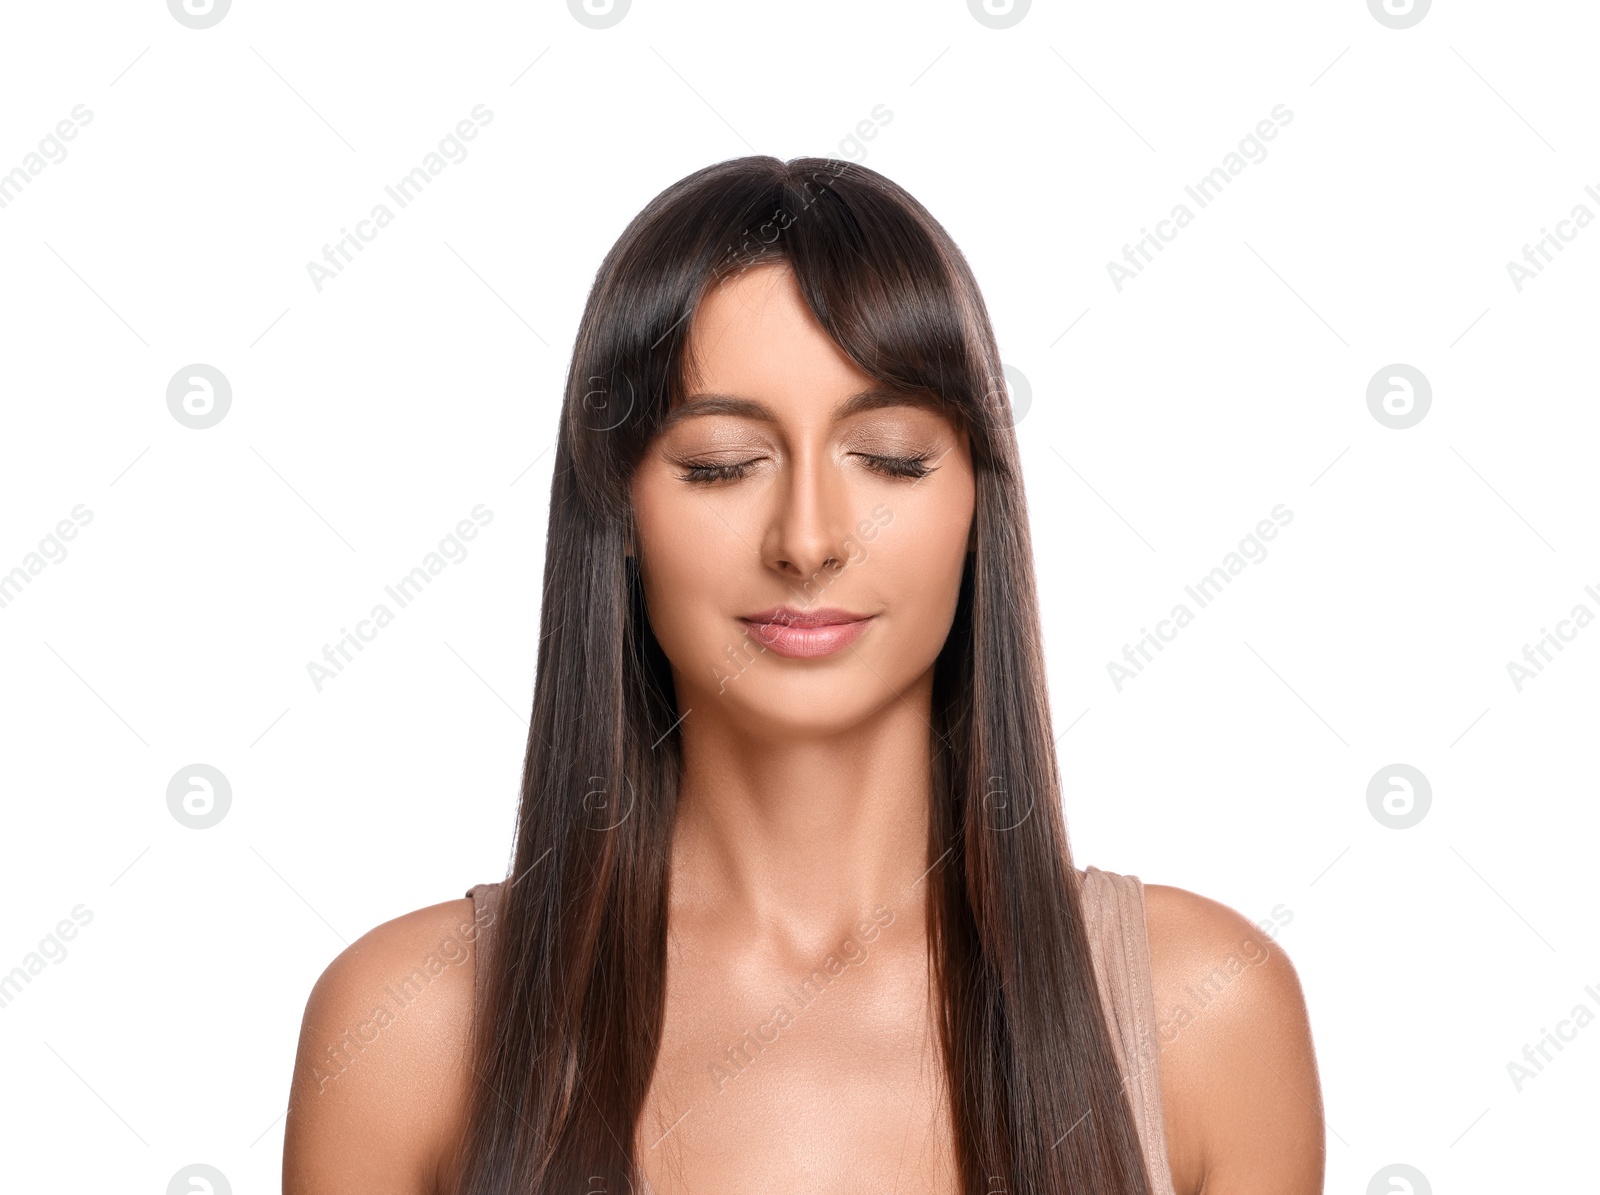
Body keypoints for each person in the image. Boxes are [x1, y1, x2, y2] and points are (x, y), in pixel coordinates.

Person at [282, 156, 1324, 1194]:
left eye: (891, 456)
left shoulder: (1203, 1018)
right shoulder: (406, 1033)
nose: (811, 539)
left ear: (975, 502)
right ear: (622, 509)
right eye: (723, 463)